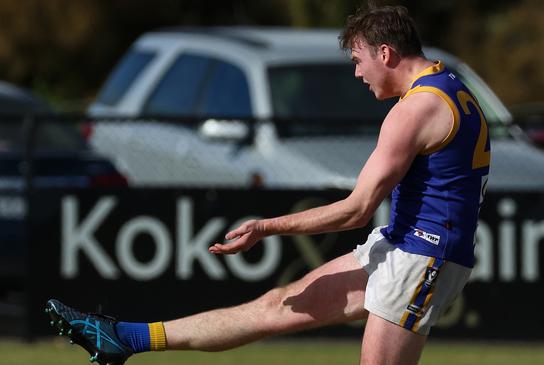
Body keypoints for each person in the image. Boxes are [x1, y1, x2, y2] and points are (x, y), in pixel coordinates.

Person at [45, 4, 490, 365]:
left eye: (358, 60)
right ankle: (124, 338)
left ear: (386, 53)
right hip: (402, 244)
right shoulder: (451, 85)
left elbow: (356, 209)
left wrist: (267, 227)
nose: (357, 74)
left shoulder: (413, 110)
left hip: (422, 255)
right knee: (276, 307)